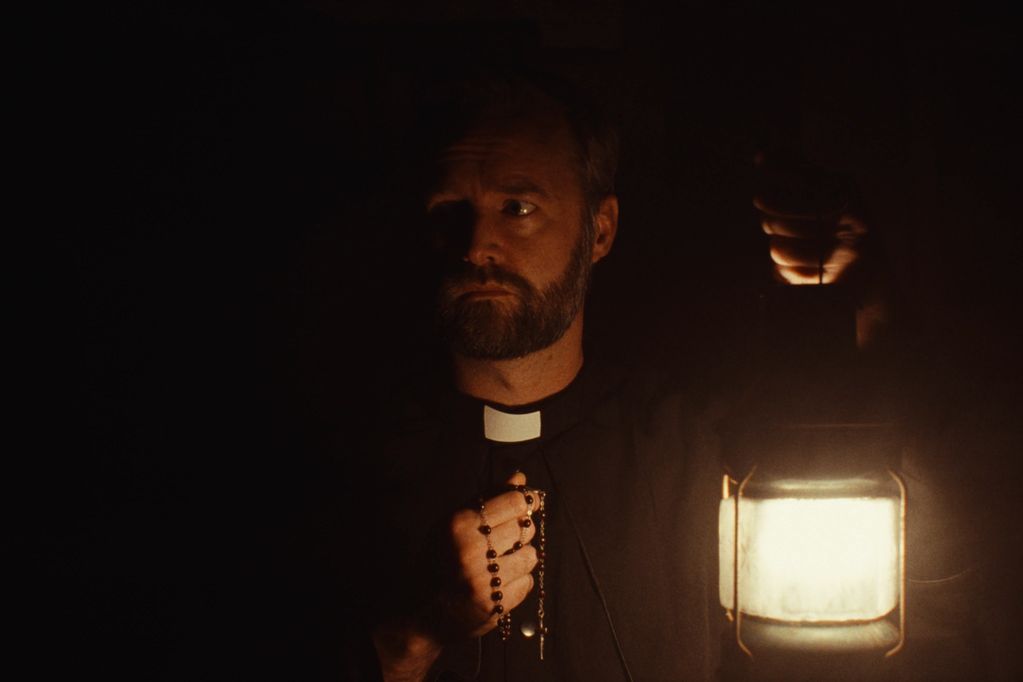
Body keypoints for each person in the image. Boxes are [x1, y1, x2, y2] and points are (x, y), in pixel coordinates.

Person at [348, 66, 889, 682]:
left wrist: (852, 297)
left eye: (517, 207)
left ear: (599, 229)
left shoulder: (692, 449)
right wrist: (414, 635)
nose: (477, 245)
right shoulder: (344, 468)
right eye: (451, 209)